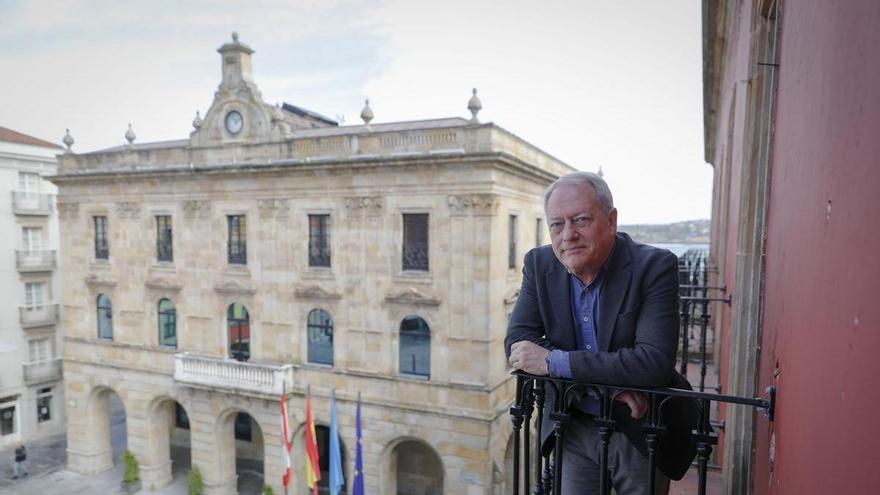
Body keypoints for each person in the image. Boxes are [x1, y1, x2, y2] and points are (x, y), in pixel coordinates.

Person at [505, 171, 692, 494]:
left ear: (611, 220)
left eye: (580, 220)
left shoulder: (654, 267)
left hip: (639, 430)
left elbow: (652, 362)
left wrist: (552, 362)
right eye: (557, 224)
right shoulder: (540, 264)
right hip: (574, 426)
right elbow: (519, 345)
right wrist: (603, 390)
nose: (568, 235)